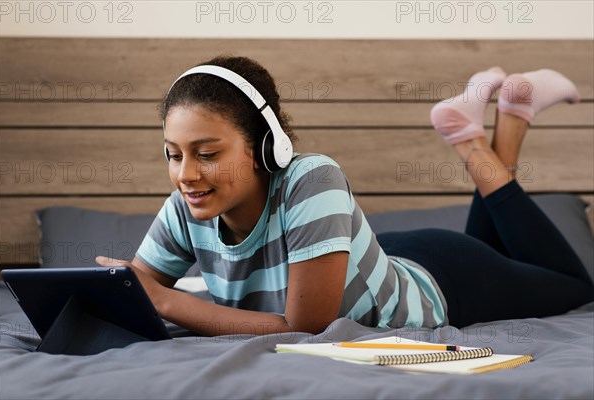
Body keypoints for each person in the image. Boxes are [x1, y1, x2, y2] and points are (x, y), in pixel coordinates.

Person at [96, 56, 593, 335]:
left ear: (266, 147)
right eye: (172, 153)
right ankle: (508, 118)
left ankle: (472, 139)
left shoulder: (312, 179)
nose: (185, 174)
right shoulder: (187, 205)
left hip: (445, 280)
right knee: (510, 252)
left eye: (206, 153)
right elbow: (133, 295)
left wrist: (166, 299)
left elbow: (307, 326)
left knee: (575, 286)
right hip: (379, 260)